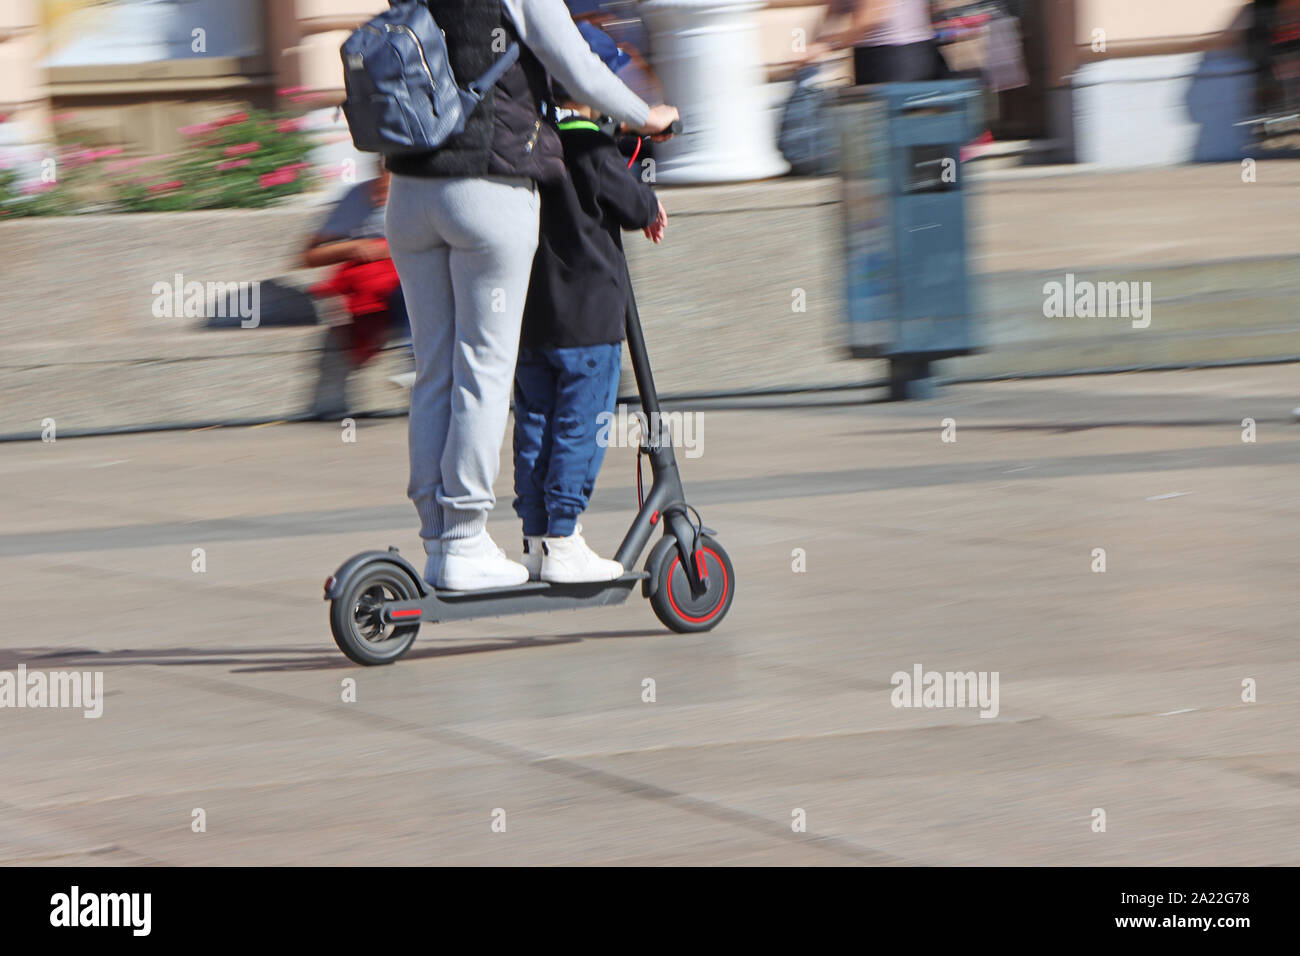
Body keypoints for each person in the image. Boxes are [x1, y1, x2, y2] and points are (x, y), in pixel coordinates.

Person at [383, 0, 678, 591]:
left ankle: (440, 540)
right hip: (486, 186)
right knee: (484, 369)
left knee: (435, 371)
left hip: (409, 195)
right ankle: (470, 539)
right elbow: (578, 67)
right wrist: (646, 115)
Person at [512, 38, 667, 584]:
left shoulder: (532, 143)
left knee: (534, 425)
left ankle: (534, 538)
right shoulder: (593, 150)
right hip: (589, 323)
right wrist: (648, 204)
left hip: (532, 323)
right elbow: (633, 203)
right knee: (580, 426)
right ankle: (564, 538)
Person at [301, 163, 412, 414]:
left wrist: (396, 249)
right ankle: (414, 358)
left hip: (412, 278)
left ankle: (416, 359)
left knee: (413, 283)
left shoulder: (423, 195)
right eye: (384, 171)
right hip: (374, 285)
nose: (387, 183)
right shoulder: (356, 198)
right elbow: (308, 256)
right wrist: (354, 247)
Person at [803, 0, 949, 85]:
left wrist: (826, 45)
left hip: (899, 57)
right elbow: (836, 8)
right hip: (872, 56)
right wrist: (811, 43)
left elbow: (869, 21)